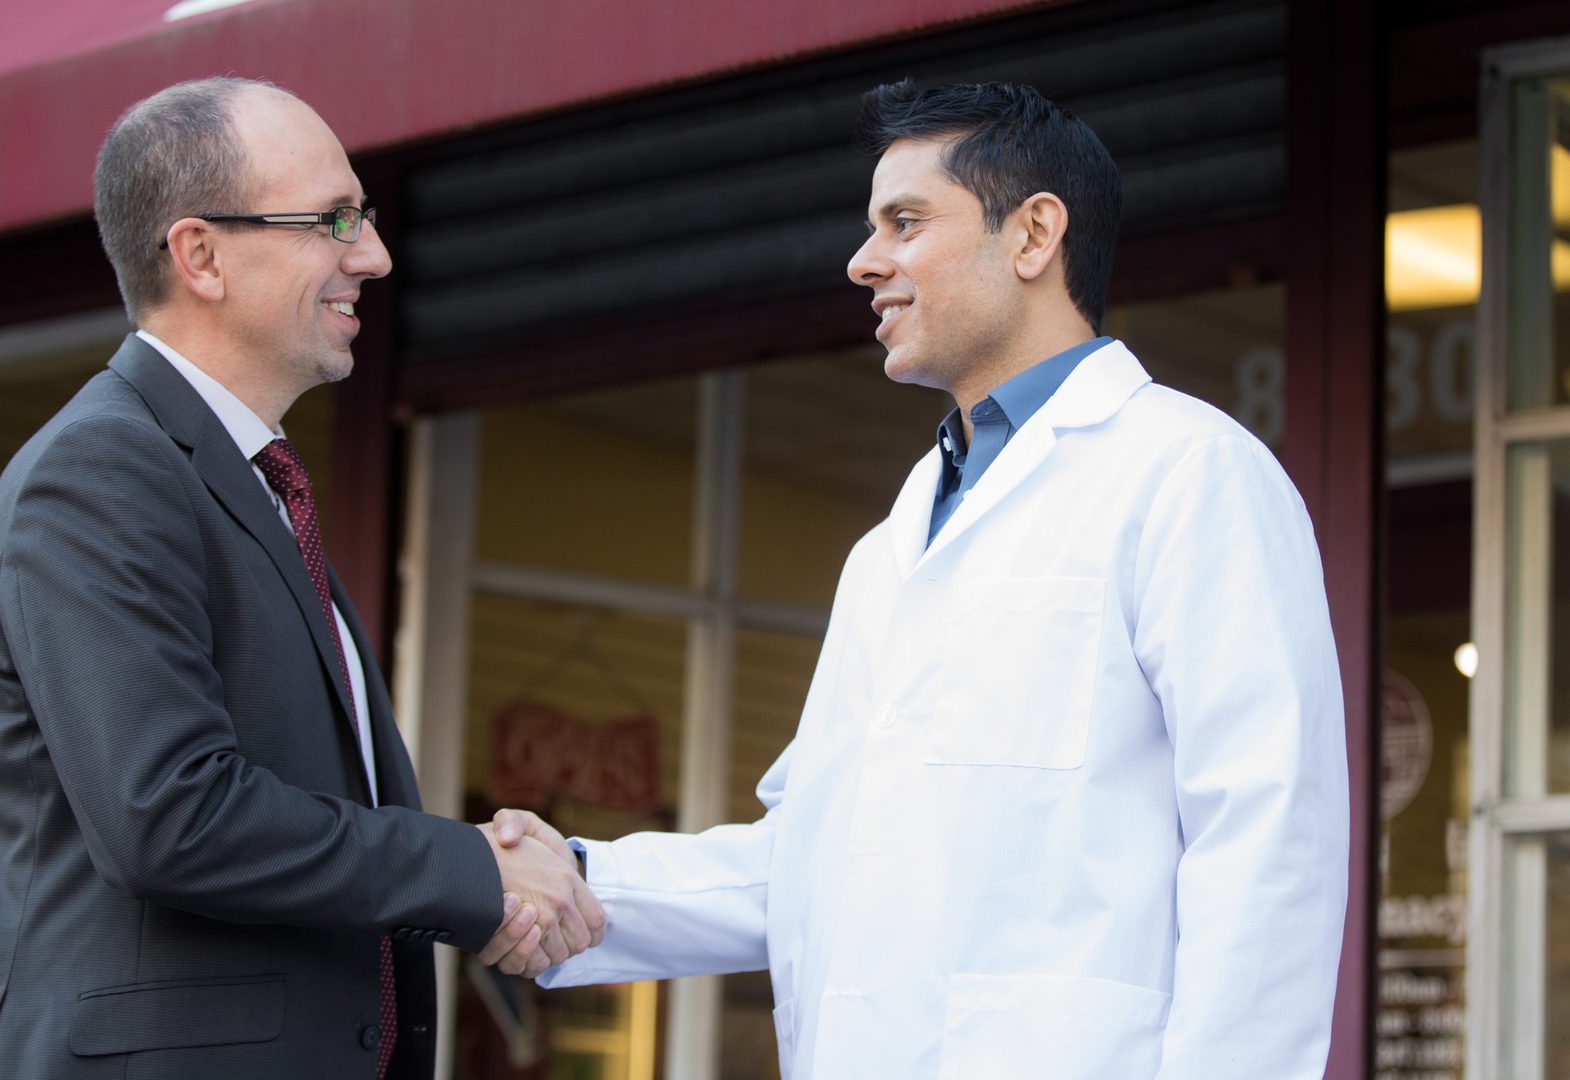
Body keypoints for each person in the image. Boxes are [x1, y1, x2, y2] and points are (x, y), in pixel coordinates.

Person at [496, 80, 1348, 1079]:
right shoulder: (890, 549)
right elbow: (811, 859)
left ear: (1033, 236)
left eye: (905, 223)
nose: (863, 263)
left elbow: (1268, 845)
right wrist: (557, 878)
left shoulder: (1188, 473)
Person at [0, 77, 601, 1080]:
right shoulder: (100, 471)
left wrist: (492, 871)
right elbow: (171, 815)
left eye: (368, 219)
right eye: (333, 220)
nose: (373, 256)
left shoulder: (247, 486)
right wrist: (467, 867)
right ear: (199, 255)